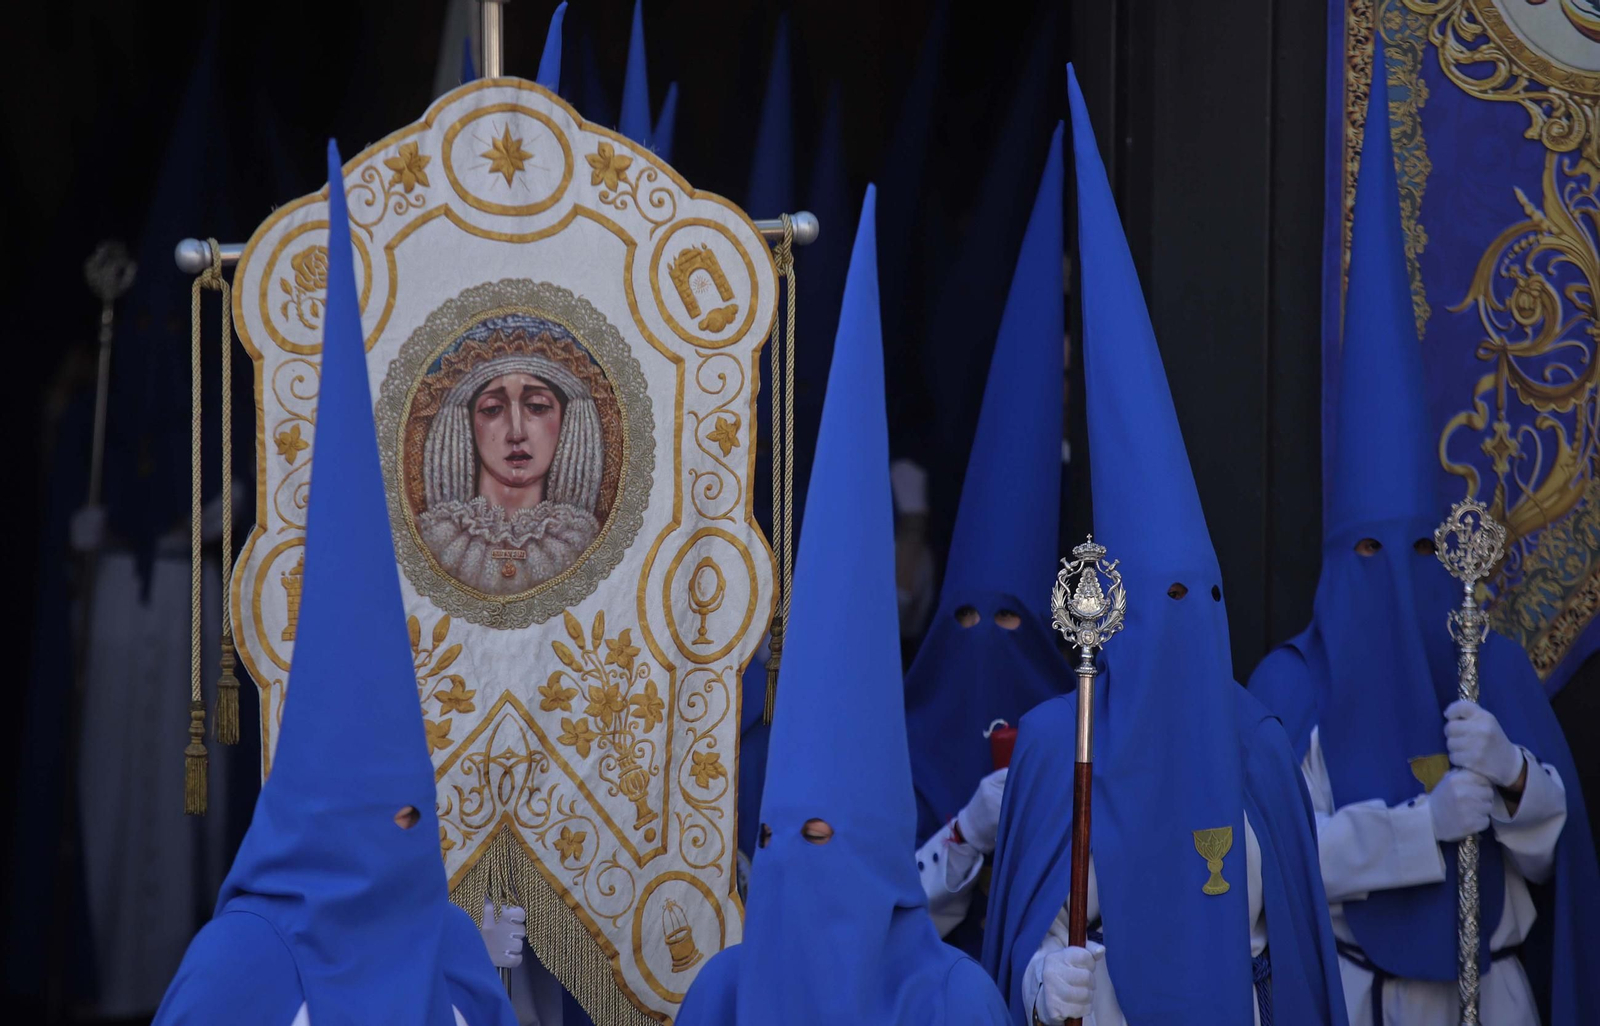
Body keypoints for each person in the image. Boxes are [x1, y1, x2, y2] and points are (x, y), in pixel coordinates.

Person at [1247, 32, 1600, 1026]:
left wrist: (1515, 774)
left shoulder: (1489, 671)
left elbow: (1549, 851)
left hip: (1492, 995)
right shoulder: (1286, 690)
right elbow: (1265, 861)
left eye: (1412, 551)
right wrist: (1416, 831)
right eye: (1367, 554)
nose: (1390, 579)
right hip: (1364, 999)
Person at [982, 68, 1346, 1026]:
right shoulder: (1062, 742)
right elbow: (1020, 929)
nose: (1191, 618)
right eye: (1166, 598)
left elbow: (1300, 953)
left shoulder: (1258, 744)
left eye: (1205, 597)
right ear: (1113, 608)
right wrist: (1034, 976)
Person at [151, 141, 516, 1026]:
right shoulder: (239, 969)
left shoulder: (451, 949)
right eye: (369, 819)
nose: (395, 846)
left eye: (409, 819)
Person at [676, 187, 1051, 1025]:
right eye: (773, 844)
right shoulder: (724, 993)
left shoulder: (956, 1003)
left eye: (820, 842)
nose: (791, 868)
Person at [904, 103, 1069, 953]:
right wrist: (965, 833)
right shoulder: (896, 748)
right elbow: (868, 917)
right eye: (967, 621)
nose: (989, 644)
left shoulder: (1087, 749)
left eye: (1013, 623)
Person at [416, 322, 605, 594]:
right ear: (467, 422)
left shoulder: (581, 543)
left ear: (567, 419)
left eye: (537, 407)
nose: (516, 432)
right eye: (492, 409)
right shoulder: (438, 540)